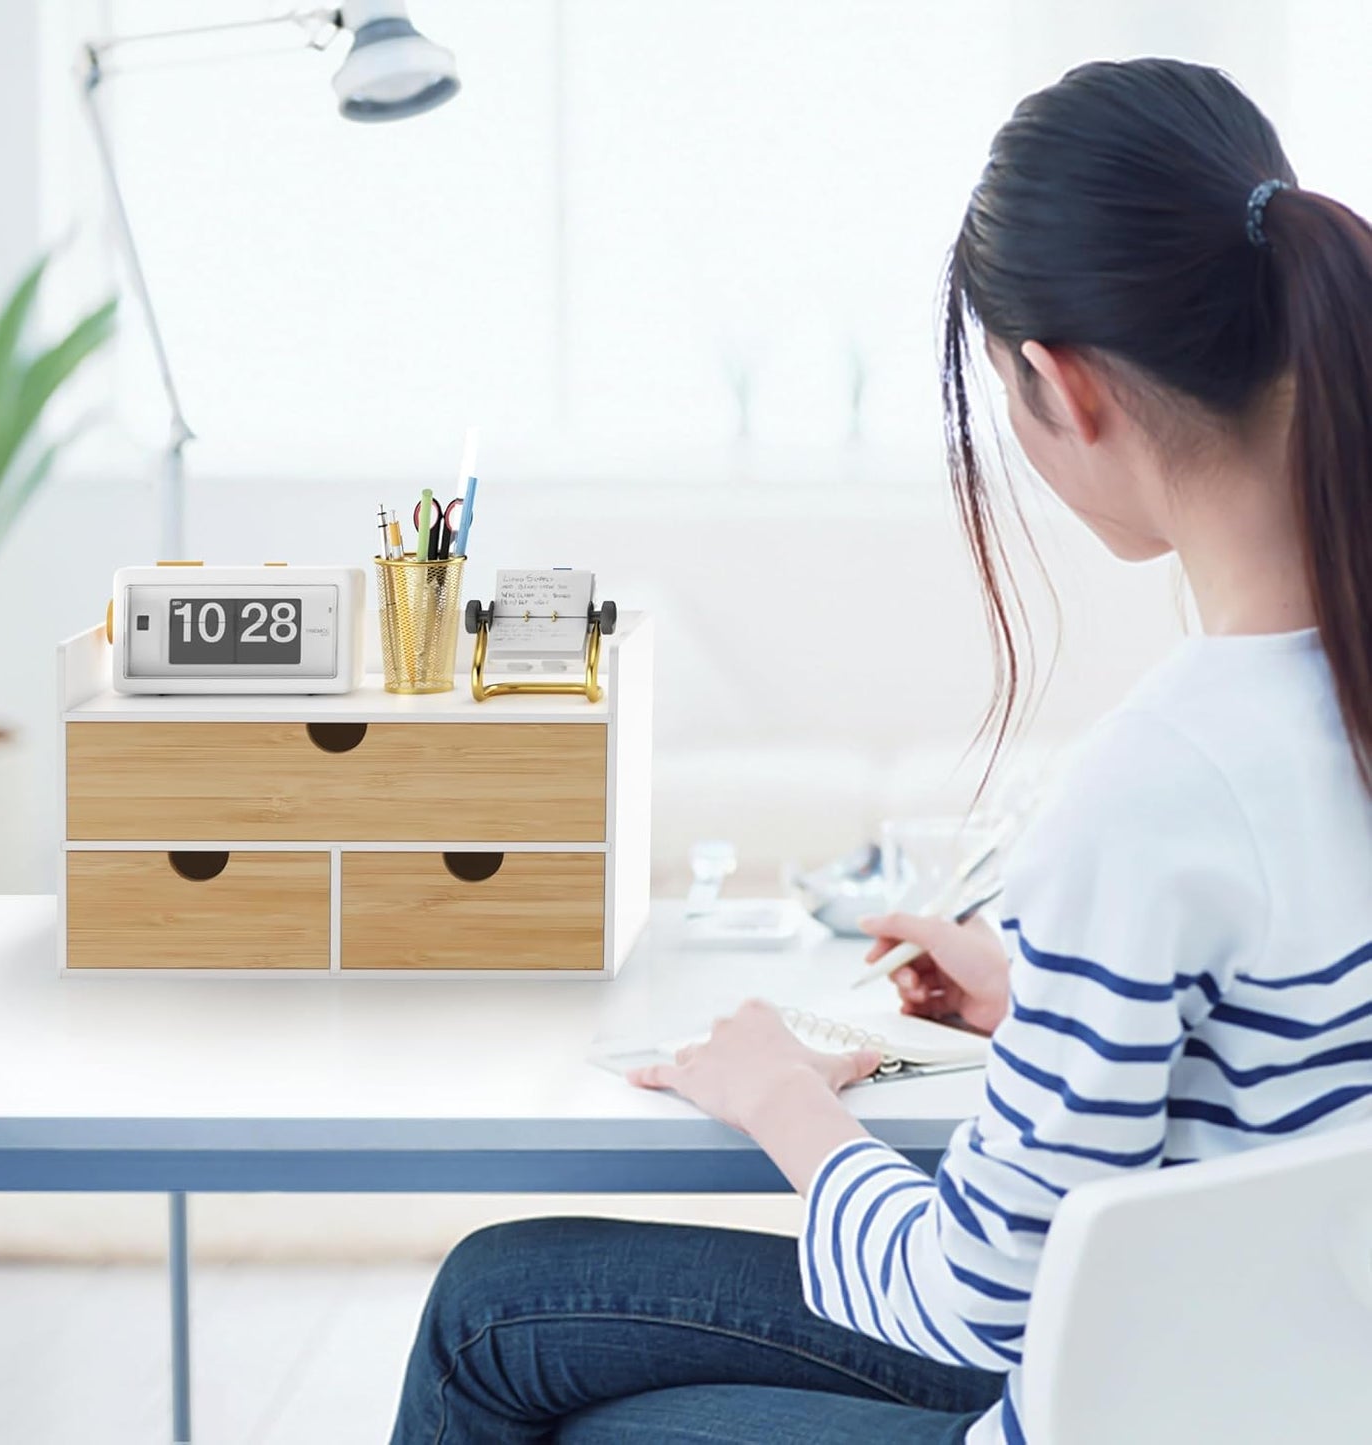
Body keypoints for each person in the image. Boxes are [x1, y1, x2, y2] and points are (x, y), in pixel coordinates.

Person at [390, 57, 1372, 1445]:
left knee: (498, 1348)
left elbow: (976, 1300)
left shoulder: (1154, 786)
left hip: (1121, 1401)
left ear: (1061, 384)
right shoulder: (1316, 711)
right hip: (1297, 1376)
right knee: (499, 1295)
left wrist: (786, 1103)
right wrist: (1049, 998)